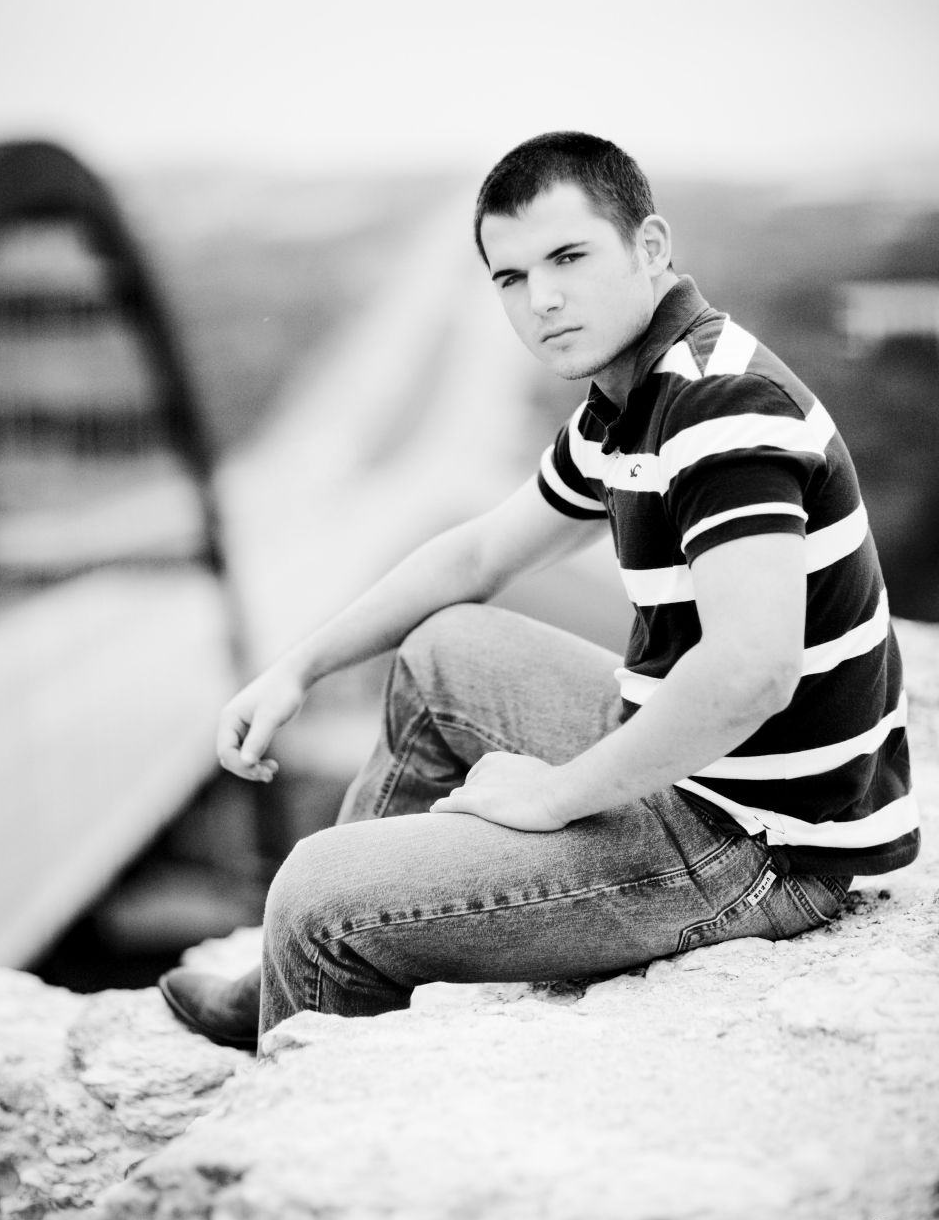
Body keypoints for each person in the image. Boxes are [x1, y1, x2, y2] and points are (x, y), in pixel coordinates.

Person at [159, 131, 919, 1051]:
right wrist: (299, 667)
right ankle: (302, 966)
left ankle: (317, 964)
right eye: (511, 278)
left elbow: (753, 669)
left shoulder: (724, 407)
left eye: (568, 257)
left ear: (649, 247)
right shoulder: (627, 399)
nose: (542, 299)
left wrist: (555, 797)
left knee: (315, 895)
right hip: (706, 776)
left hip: (760, 844)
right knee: (447, 649)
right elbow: (479, 553)